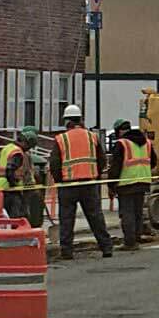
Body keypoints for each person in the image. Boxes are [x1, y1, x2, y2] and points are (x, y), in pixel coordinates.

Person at [49, 105, 113, 260]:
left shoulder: (61, 139)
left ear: (67, 121)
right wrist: (94, 175)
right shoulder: (92, 137)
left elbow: (55, 164)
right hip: (89, 184)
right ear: (81, 119)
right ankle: (106, 247)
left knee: (67, 219)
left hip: (68, 185)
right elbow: (102, 160)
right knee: (96, 217)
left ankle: (66, 251)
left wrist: (60, 180)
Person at [109, 118, 156, 250]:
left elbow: (115, 167)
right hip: (143, 182)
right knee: (137, 212)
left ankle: (130, 242)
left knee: (127, 213)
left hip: (126, 183)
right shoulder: (146, 142)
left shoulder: (122, 144)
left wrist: (111, 185)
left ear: (119, 131)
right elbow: (153, 162)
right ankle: (137, 236)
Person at [0, 127, 37, 219]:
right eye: (29, 146)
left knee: (3, 216)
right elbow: (10, 169)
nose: (28, 149)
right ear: (26, 142)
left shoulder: (7, 148)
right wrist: (13, 183)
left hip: (0, 186)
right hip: (10, 189)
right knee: (15, 217)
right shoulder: (17, 152)